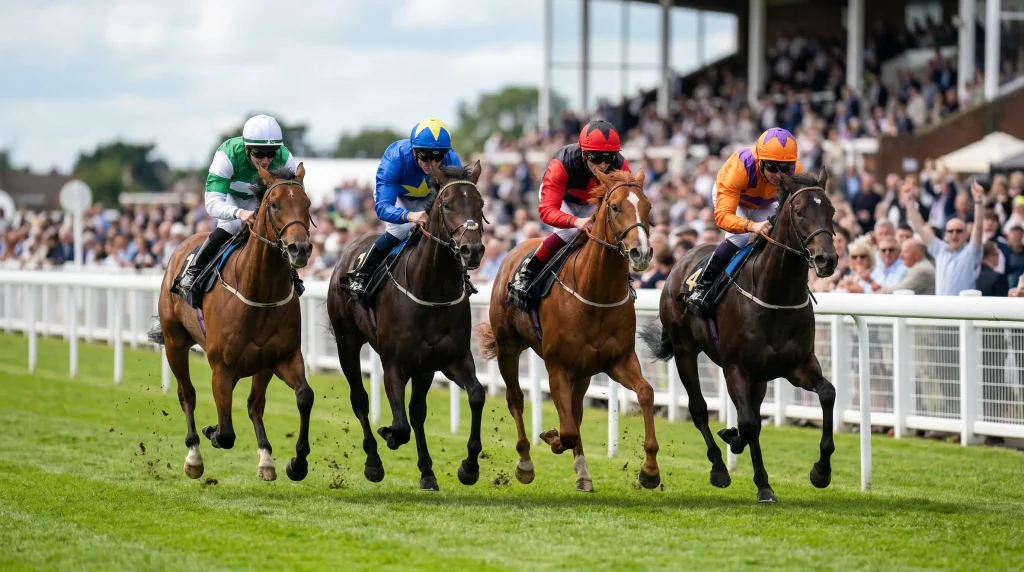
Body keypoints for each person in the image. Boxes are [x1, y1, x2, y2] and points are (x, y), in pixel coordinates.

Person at [175, 114, 303, 304]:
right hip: (230, 198)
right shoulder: (227, 154)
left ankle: (292, 272)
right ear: (246, 148)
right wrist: (239, 213)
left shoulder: (284, 157)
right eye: (259, 154)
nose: (266, 160)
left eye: (271, 153)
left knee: (276, 231)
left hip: (260, 199)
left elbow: (292, 198)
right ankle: (194, 271)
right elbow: (212, 203)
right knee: (232, 226)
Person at [506, 119, 631, 307]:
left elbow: (630, 200)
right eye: (596, 158)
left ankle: (624, 278)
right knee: (570, 232)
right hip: (561, 200)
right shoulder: (562, 163)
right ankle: (527, 273)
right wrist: (575, 221)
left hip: (591, 202)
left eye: (609, 157)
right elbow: (547, 211)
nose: (603, 164)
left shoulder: (620, 165)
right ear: (583, 153)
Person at [687, 127, 804, 318]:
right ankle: (703, 285)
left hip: (765, 202)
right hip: (735, 200)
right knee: (740, 238)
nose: (779, 175)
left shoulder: (796, 171)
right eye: (772, 167)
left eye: (785, 168)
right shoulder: (739, 168)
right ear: (760, 162)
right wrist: (752, 226)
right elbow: (723, 217)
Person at [348, 118, 466, 300]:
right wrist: (409, 215)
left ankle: (462, 274)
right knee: (400, 229)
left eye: (437, 157)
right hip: (397, 198)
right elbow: (382, 207)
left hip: (428, 198)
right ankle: (362, 275)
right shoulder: (395, 157)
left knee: (448, 229)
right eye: (425, 157)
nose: (432, 164)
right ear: (414, 151)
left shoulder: (452, 160)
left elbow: (457, 199)